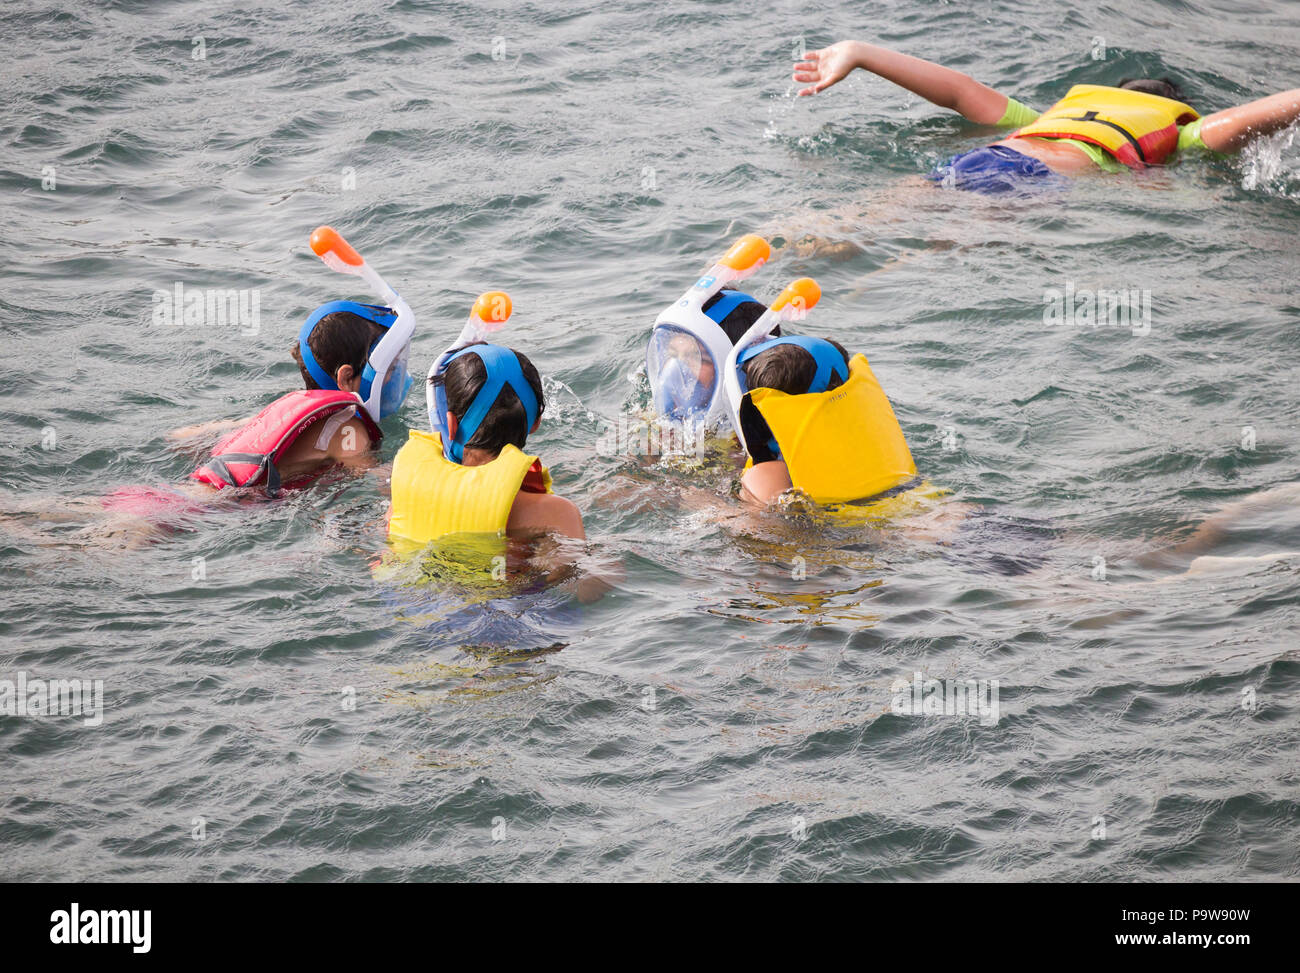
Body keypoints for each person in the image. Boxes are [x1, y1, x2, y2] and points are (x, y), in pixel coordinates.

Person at [793, 39, 1300, 191]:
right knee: (912, 256)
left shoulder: (1045, 116)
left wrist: (862, 53)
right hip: (1030, 181)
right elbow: (1245, 119)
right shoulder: (1179, 133)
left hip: (986, 157)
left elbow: (958, 91)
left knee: (861, 223)